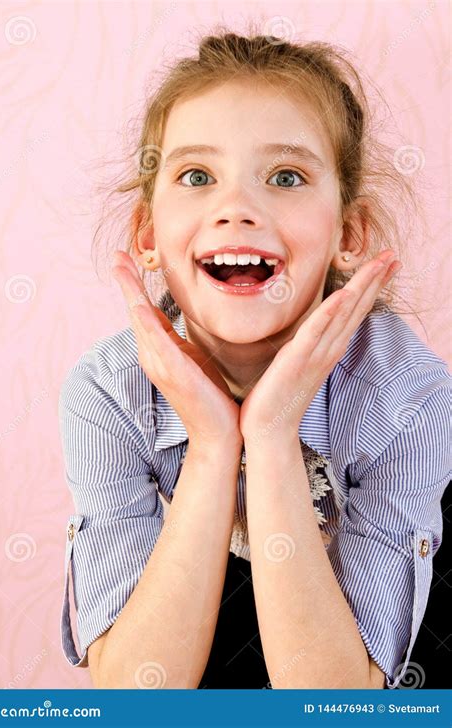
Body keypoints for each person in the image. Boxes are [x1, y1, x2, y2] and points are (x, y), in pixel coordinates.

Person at [59, 29, 451, 689]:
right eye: (197, 176)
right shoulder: (106, 390)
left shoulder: (407, 392)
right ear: (148, 237)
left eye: (287, 176)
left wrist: (269, 434)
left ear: (347, 235)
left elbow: (336, 704)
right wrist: (213, 445)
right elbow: (134, 696)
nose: (237, 208)